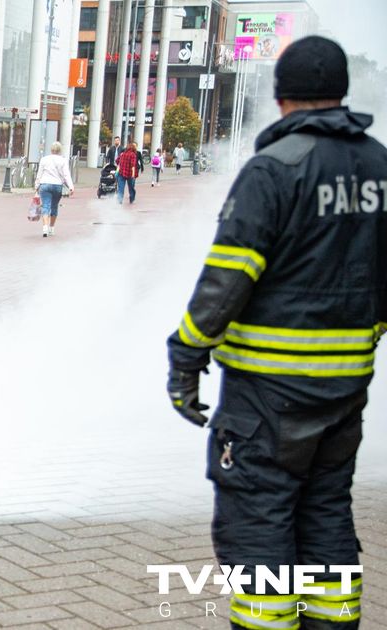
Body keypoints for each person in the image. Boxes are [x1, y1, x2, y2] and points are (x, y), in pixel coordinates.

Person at [166, 36, 384, 630]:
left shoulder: (274, 169)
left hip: (267, 397)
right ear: (340, 93)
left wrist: (185, 356)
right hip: (344, 392)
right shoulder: (379, 165)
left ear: (281, 96)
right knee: (326, 515)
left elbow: (227, 280)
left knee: (259, 525)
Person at [35, 141, 74, 238]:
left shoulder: (44, 159)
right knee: (54, 206)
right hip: (57, 185)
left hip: (45, 184)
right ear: (60, 150)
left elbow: (39, 174)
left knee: (45, 206)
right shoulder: (63, 160)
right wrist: (71, 187)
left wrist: (36, 186)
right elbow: (66, 175)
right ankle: (51, 228)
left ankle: (45, 228)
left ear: (51, 149)